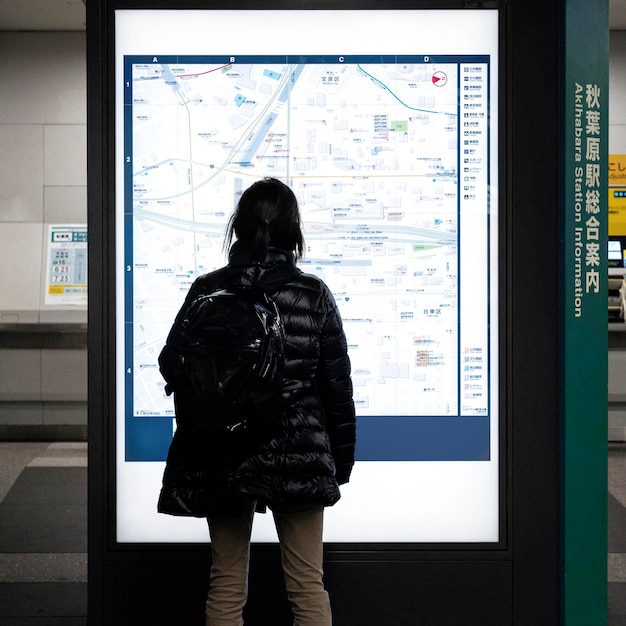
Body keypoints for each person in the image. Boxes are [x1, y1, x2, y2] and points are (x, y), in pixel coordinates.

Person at [158, 177, 356, 626]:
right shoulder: (312, 294)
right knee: (307, 587)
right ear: (293, 231)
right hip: (298, 455)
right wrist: (337, 466)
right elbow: (336, 393)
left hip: (223, 454)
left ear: (238, 228)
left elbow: (172, 364)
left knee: (225, 582)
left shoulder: (206, 290)